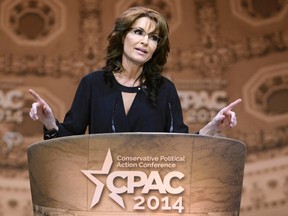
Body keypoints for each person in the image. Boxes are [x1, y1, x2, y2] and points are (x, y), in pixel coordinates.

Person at [28, 6, 241, 139]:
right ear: (122, 37)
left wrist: (212, 127)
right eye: (138, 32)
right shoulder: (92, 84)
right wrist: (49, 122)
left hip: (151, 197)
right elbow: (69, 142)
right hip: (101, 192)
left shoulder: (165, 89)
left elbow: (180, 147)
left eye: (153, 37)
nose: (144, 41)